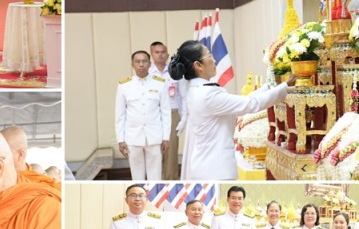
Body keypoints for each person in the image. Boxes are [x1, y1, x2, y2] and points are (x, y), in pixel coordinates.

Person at [169, 40, 292, 180]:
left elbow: (243, 101)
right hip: (216, 169)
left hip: (208, 166)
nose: (214, 60)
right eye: (209, 55)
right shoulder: (207, 94)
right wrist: (285, 86)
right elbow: (250, 104)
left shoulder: (197, 89)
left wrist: (271, 85)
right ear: (198, 65)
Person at [115, 50, 171, 181]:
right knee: (137, 175)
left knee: (155, 174)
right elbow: (120, 115)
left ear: (149, 64)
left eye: (144, 61)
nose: (141, 64)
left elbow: (166, 112)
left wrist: (166, 137)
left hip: (154, 136)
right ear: (132, 64)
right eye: (137, 61)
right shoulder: (124, 85)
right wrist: (120, 140)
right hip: (132, 137)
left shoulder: (160, 83)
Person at [148, 42, 182, 180]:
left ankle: (171, 181)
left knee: (171, 150)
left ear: (167, 54)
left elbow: (182, 94)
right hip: (153, 114)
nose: (160, 54)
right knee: (154, 150)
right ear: (152, 54)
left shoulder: (175, 71)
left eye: (163, 52)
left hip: (172, 112)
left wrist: (183, 116)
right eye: (157, 52)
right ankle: (155, 181)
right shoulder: (147, 72)